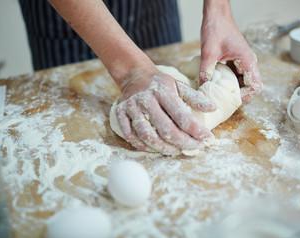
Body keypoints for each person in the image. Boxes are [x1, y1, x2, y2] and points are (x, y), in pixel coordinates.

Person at [20, 0, 263, 155]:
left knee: (161, 90)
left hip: (153, 10)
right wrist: (131, 72)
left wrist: (219, 12)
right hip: (74, 16)